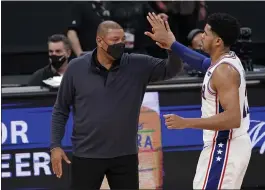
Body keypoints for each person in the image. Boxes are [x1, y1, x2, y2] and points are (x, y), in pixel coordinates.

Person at [50, 21, 182, 190]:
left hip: (125, 156)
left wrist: (171, 46)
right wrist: (55, 145)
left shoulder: (137, 64)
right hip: (87, 155)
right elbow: (60, 110)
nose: (120, 44)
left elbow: (171, 69)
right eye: (115, 40)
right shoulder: (76, 68)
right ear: (99, 40)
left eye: (123, 40)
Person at [145, 12, 252, 189]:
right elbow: (202, 63)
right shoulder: (223, 61)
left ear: (218, 41)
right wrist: (173, 44)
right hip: (226, 146)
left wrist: (185, 122)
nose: (202, 36)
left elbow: (233, 118)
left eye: (206, 33)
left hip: (224, 147)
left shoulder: (224, 71)